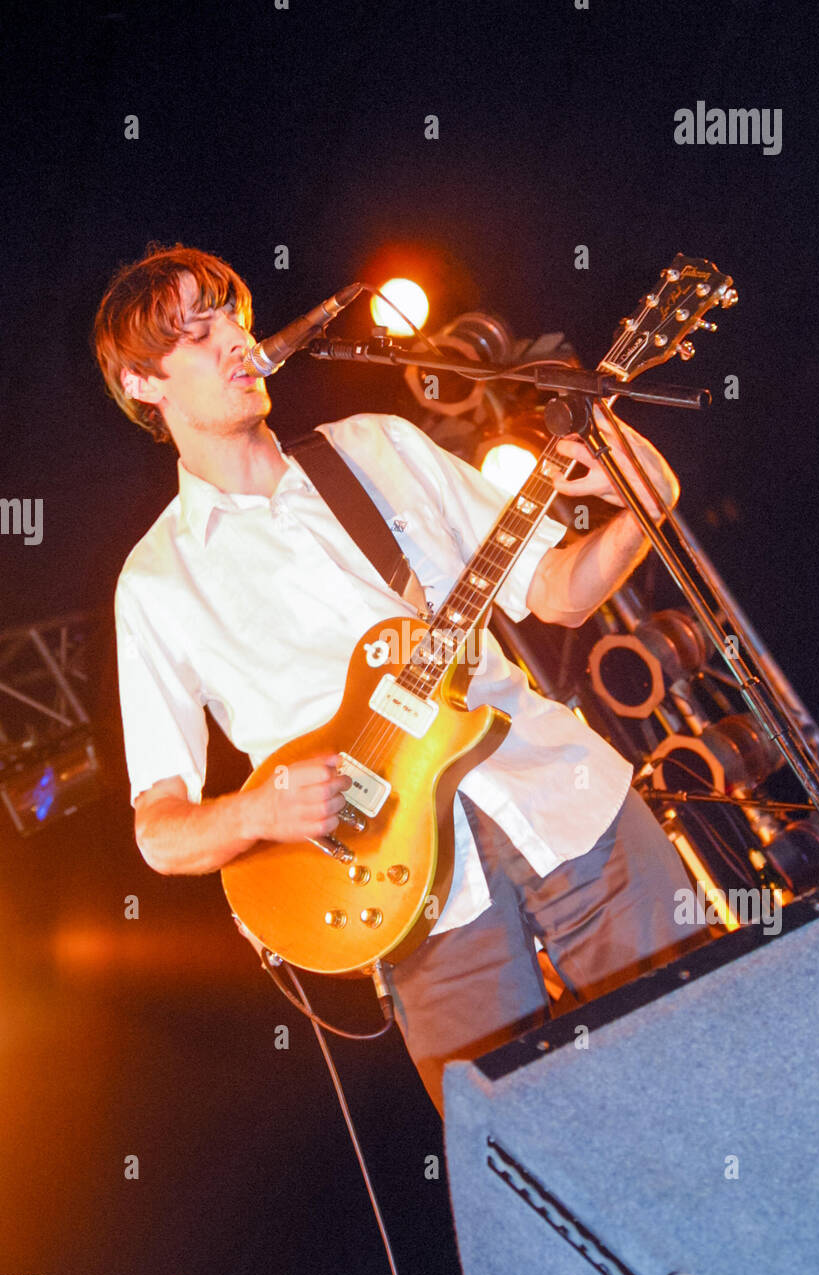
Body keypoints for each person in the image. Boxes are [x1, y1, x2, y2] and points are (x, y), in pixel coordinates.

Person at [94, 242, 708, 1118]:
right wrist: (260, 813)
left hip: (561, 801)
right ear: (142, 385)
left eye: (231, 313)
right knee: (529, 1159)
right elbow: (160, 831)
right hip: (406, 899)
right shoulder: (158, 583)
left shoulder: (377, 446)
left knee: (716, 1041)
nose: (236, 338)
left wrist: (648, 499)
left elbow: (560, 594)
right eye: (197, 334)